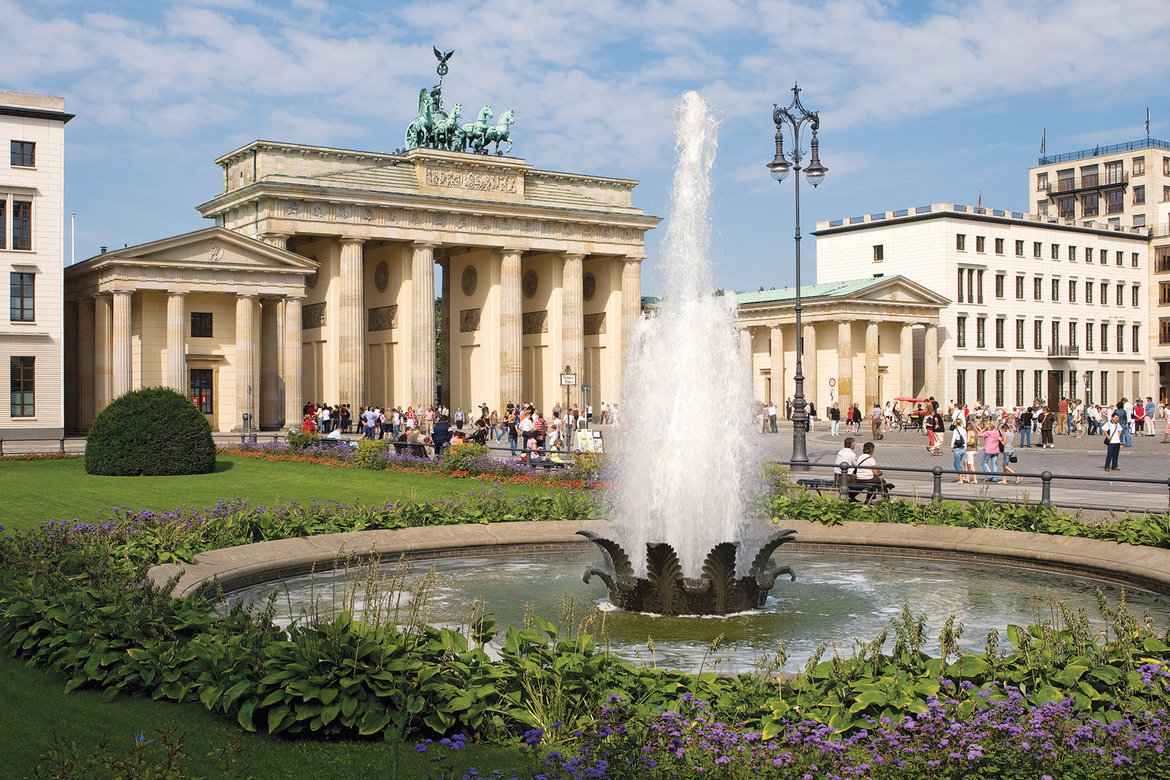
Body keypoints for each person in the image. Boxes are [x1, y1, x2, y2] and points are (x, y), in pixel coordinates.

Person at [834, 436, 859, 501]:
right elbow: (857, 465)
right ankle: (850, 496)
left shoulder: (840, 452)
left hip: (836, 476)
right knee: (860, 482)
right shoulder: (852, 454)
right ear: (852, 445)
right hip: (846, 477)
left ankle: (846, 495)